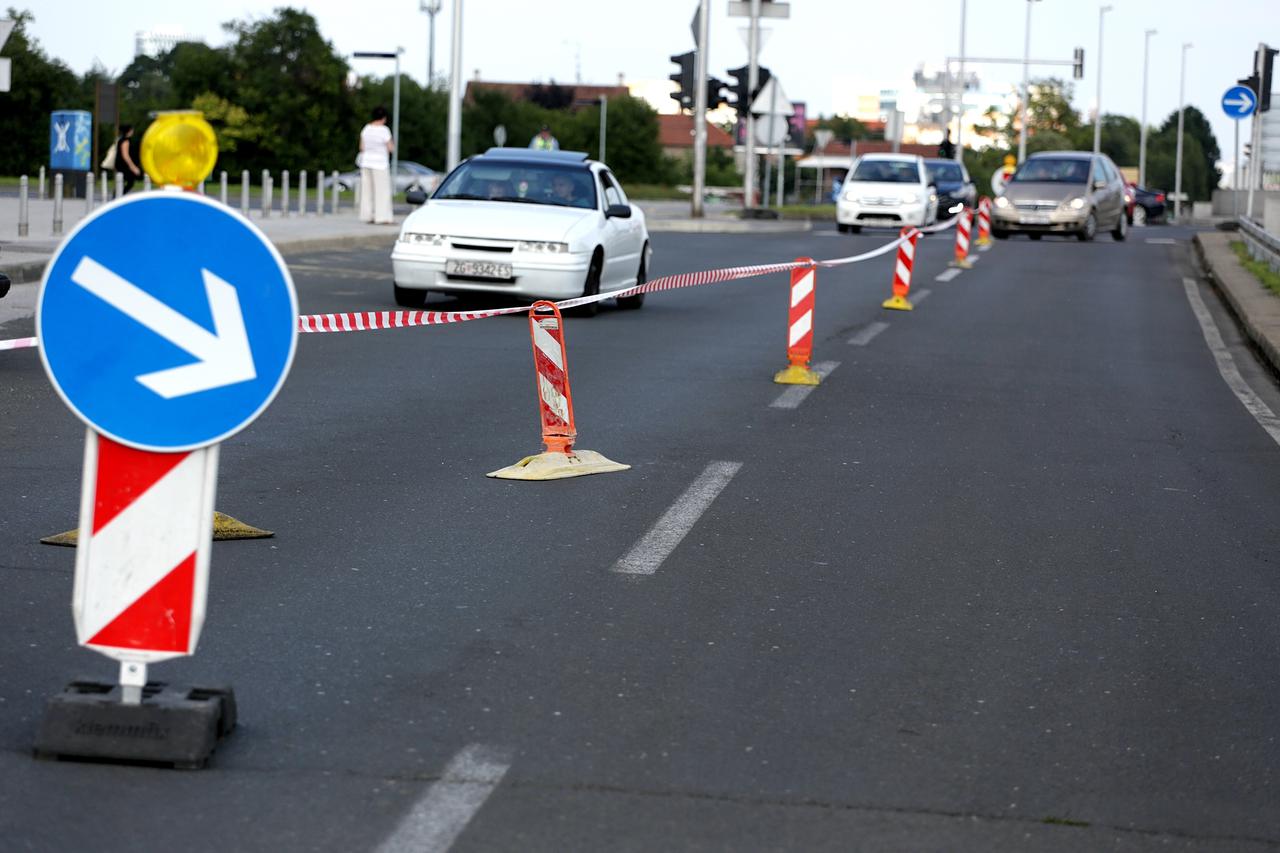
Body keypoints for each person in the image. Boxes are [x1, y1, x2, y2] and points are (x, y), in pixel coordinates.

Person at [358, 106, 395, 224]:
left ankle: (367, 215)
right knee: (382, 191)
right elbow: (391, 148)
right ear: (384, 118)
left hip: (366, 163)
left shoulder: (366, 129)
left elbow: (362, 147)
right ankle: (382, 217)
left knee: (367, 191)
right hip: (380, 164)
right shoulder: (384, 130)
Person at [114, 124, 142, 197]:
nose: (133, 131)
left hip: (121, 164)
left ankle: (117, 196)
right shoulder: (126, 141)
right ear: (129, 131)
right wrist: (133, 167)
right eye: (132, 130)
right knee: (129, 182)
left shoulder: (121, 139)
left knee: (123, 182)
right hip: (123, 165)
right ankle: (118, 196)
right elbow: (125, 155)